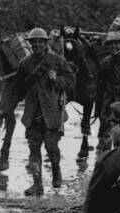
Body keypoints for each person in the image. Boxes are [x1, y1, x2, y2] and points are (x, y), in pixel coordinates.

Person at [15, 27, 75, 196]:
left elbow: (71, 81)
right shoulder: (24, 63)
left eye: (40, 42)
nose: (36, 45)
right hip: (32, 113)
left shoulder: (57, 60)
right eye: (33, 43)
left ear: (45, 43)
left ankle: (56, 171)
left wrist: (57, 80)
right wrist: (6, 106)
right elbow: (18, 88)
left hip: (52, 112)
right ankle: (37, 184)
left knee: (51, 147)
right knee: (34, 148)